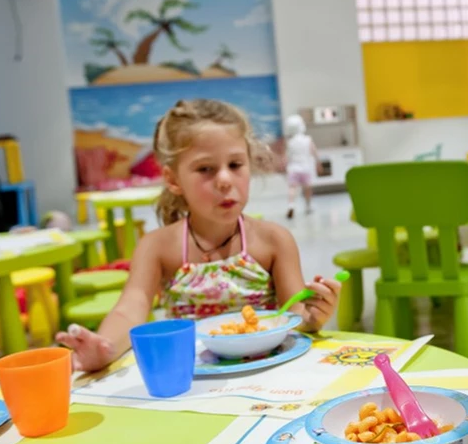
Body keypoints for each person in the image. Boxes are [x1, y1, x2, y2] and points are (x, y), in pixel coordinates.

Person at [57, 99, 341, 373]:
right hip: (191, 380)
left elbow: (296, 314)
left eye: (235, 165)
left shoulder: (274, 241)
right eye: (205, 169)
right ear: (172, 179)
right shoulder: (158, 247)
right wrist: (105, 348)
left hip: (265, 376)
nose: (225, 180)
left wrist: (314, 317)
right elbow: (130, 309)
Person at [283, 114, 318, 219]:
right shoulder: (307, 139)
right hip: (306, 168)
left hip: (293, 168)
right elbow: (314, 152)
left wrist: (285, 167)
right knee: (307, 188)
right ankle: (308, 206)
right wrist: (318, 163)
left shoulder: (290, 142)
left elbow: (286, 157)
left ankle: (291, 205)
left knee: (292, 188)